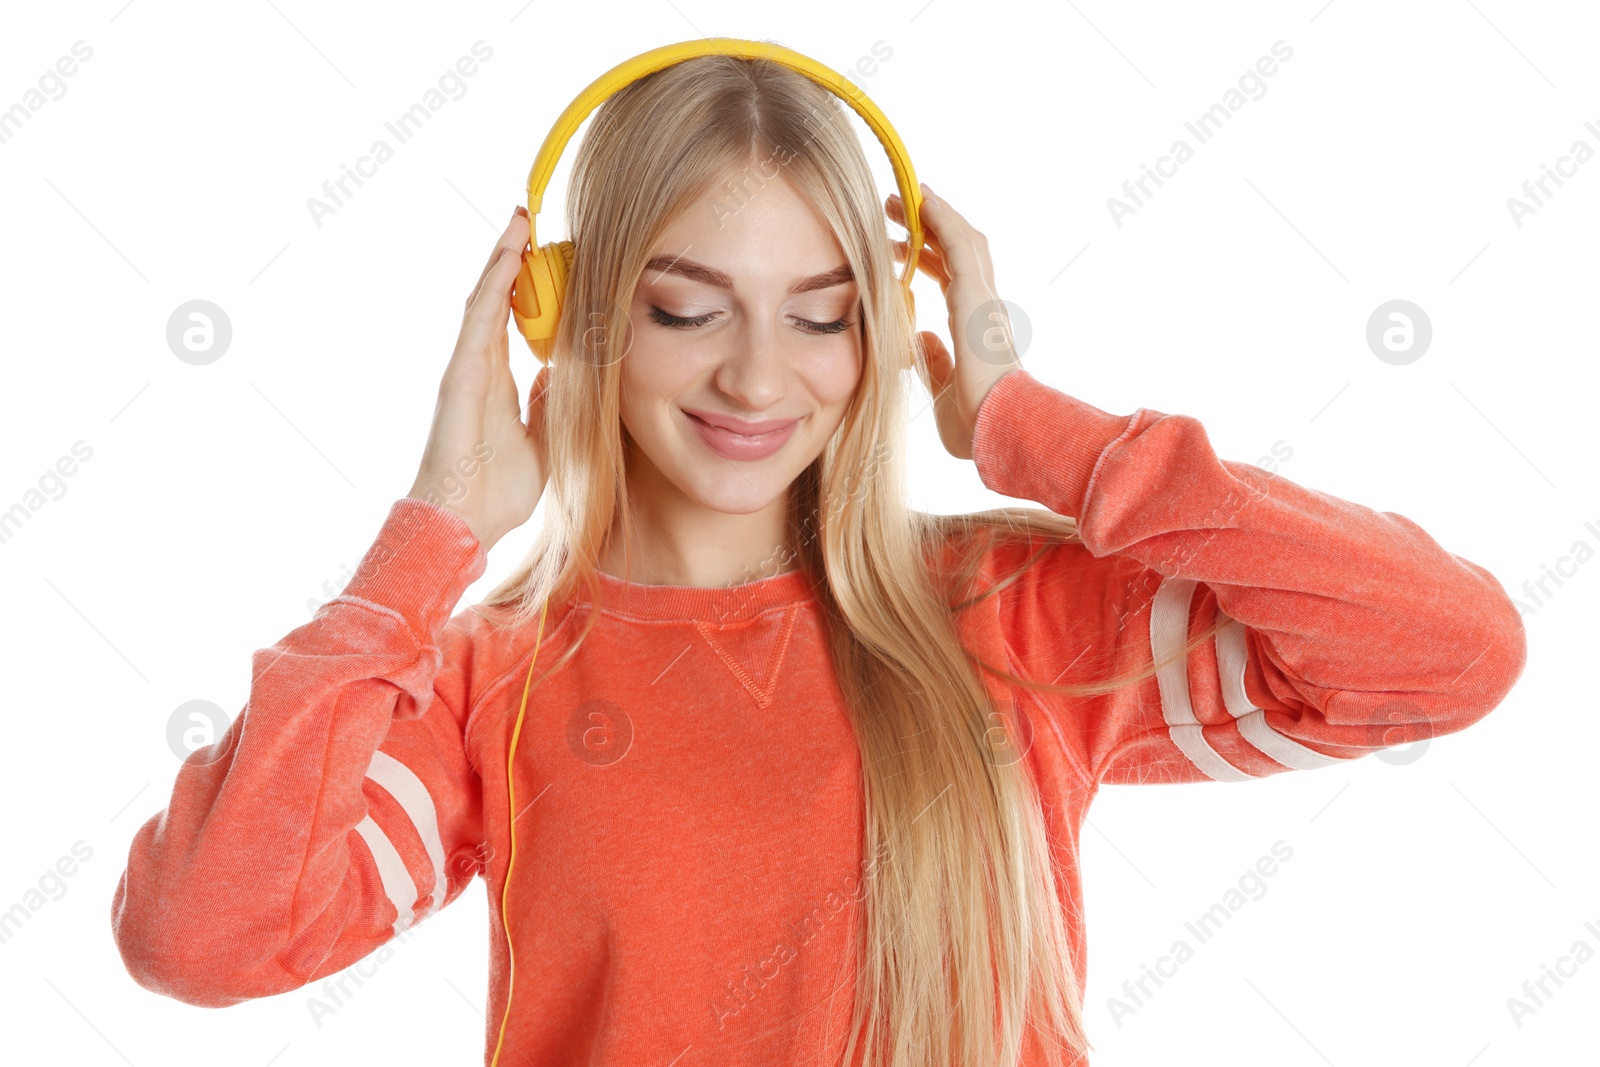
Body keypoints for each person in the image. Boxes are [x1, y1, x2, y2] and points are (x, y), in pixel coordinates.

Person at [109, 53, 1527, 1067]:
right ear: (570, 319)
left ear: (882, 330)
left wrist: (1034, 429)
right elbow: (198, 940)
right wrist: (431, 538)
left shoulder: (1002, 616)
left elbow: (1448, 650)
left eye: (822, 315)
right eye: (684, 309)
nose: (755, 375)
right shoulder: (489, 681)